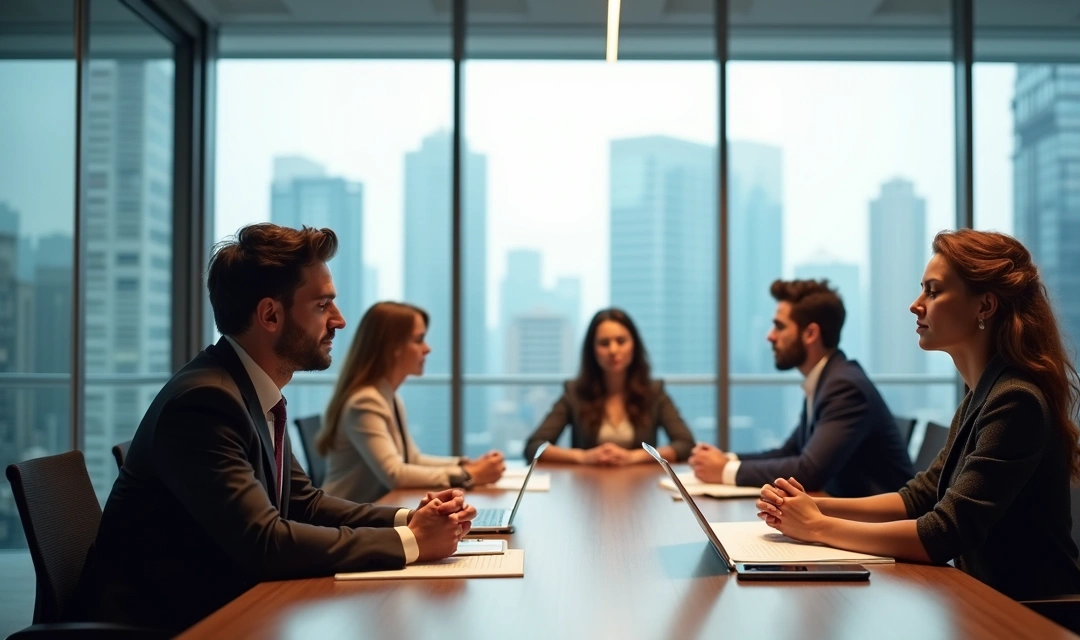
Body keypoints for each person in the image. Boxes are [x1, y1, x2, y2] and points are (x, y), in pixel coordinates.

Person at [72, 224, 477, 633]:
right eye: (322, 306)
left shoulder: (246, 392)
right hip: (169, 624)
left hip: (225, 604)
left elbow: (306, 504)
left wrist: (411, 519)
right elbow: (263, 542)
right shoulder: (203, 403)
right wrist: (412, 544)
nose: (339, 320)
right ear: (270, 315)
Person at [755, 230, 1080, 634]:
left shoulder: (1015, 401)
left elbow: (943, 533)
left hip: (1030, 619)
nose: (916, 306)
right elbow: (919, 496)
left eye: (933, 292)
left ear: (984, 305)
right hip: (982, 601)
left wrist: (817, 527)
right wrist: (814, 506)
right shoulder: (981, 395)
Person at [688, 279, 914, 496]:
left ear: (811, 334)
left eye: (779, 326)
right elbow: (791, 451)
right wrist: (726, 460)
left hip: (875, 526)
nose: (770, 336)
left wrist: (724, 471)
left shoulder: (845, 386)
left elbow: (809, 472)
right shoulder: (828, 378)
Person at [318, 301, 505, 502]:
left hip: (368, 514)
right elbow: (395, 474)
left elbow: (412, 459)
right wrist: (469, 475)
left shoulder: (388, 397)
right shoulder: (365, 402)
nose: (427, 349)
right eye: (419, 340)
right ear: (393, 347)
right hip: (340, 523)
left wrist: (465, 465)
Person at [523, 308, 695, 465]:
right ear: (592, 350)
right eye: (604, 343)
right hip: (587, 486)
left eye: (621, 341)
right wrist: (583, 457)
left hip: (641, 487)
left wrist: (634, 457)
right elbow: (534, 447)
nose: (613, 350)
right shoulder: (575, 392)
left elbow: (686, 445)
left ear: (634, 345)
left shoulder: (654, 391)